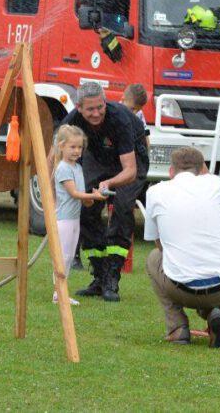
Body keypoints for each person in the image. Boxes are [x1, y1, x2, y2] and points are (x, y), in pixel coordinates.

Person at [143, 147, 220, 348]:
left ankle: (177, 327)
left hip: (183, 289)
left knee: (154, 258)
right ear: (202, 168)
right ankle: (216, 315)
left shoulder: (155, 191)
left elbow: (157, 242)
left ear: (171, 170)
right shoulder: (215, 184)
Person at [63, 81, 148, 302]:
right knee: (85, 208)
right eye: (90, 109)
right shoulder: (73, 119)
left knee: (121, 207)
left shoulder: (118, 117)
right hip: (100, 156)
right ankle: (99, 276)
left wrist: (108, 184)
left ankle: (112, 277)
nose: (96, 113)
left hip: (131, 161)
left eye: (100, 107)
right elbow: (54, 153)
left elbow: (130, 170)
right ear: (79, 108)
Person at [51, 125, 106, 305]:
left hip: (74, 219)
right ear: (62, 146)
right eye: (72, 147)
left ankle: (61, 293)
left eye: (79, 147)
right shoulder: (64, 168)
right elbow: (74, 193)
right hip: (64, 219)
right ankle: (58, 293)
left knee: (68, 256)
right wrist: (93, 196)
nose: (76, 151)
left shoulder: (77, 168)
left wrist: (90, 198)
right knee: (64, 257)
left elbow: (82, 195)